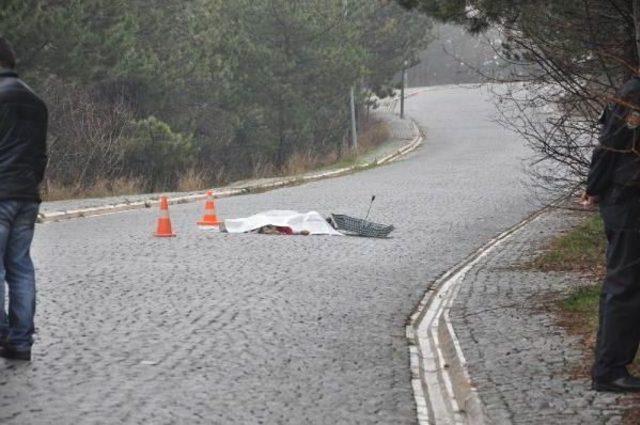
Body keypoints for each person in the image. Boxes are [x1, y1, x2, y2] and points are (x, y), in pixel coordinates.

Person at [584, 75, 640, 392]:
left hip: (628, 199)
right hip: (627, 201)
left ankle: (610, 367)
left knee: (624, 285)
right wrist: (593, 189)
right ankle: (609, 371)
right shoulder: (635, 94)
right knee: (624, 286)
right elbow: (609, 146)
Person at [0, 37, 48, 361]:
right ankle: (21, 340)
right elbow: (40, 155)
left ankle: (2, 332)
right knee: (20, 267)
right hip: (27, 195)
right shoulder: (37, 102)